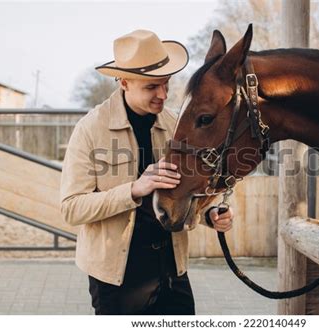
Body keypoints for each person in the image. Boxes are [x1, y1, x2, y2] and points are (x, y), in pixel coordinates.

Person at [60, 29, 234, 315]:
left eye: (166, 84)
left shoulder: (176, 125)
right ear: (124, 82)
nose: (163, 94)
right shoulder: (89, 129)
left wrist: (208, 215)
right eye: (152, 87)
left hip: (172, 270)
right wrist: (133, 190)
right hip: (117, 279)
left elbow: (182, 192)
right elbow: (72, 208)